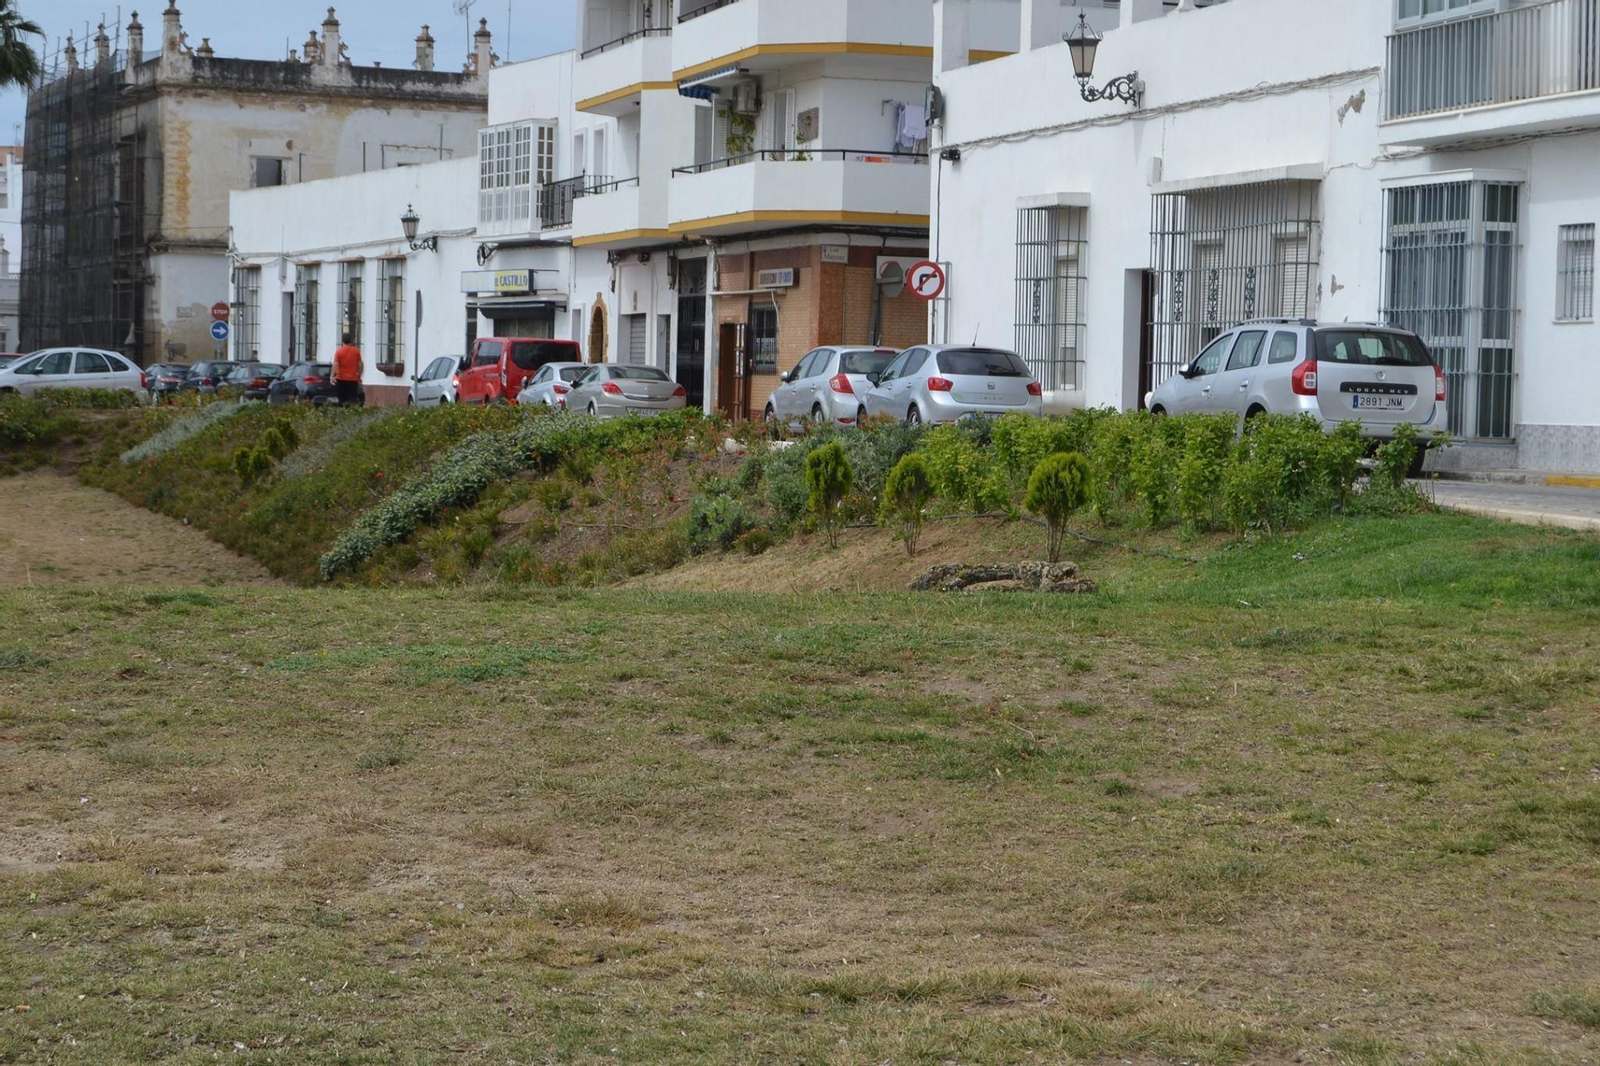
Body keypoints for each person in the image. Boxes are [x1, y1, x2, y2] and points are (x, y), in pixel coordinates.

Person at [332, 332, 364, 407]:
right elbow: (360, 364)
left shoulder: (339, 351)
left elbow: (336, 364)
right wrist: (359, 374)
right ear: (351, 341)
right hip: (352, 380)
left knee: (341, 400)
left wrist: (332, 376)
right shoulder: (356, 351)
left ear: (342, 341)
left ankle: (342, 415)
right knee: (352, 400)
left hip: (341, 379)